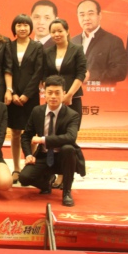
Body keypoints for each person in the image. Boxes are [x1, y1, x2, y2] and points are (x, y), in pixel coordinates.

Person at [18, 75, 86, 207]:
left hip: (63, 157)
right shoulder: (37, 111)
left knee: (68, 148)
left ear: (64, 93)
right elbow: (26, 136)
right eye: (50, 92)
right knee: (24, 178)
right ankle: (46, 183)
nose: (53, 96)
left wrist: (43, 140)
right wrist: (28, 155)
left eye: (57, 93)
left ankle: (66, 192)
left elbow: (70, 137)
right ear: (44, 93)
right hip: (44, 156)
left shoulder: (72, 115)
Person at [43, 18, 87, 190]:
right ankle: (51, 170)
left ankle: (64, 175)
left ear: (67, 31)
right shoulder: (48, 51)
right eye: (53, 32)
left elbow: (81, 73)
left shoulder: (77, 49)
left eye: (60, 31)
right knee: (53, 134)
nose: (56, 34)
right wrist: (51, 95)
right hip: (53, 101)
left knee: (68, 139)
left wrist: (69, 94)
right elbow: (45, 75)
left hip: (72, 99)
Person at [7, 14, 43, 185]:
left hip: (31, 97)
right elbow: (7, 69)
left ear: (30, 28)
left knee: (30, 133)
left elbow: (38, 72)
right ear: (14, 28)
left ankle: (29, 165)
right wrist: (13, 93)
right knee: (15, 133)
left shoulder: (37, 46)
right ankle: (16, 167)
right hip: (13, 96)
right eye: (19, 25)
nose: (22, 28)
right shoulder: (9, 46)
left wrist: (27, 94)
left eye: (25, 25)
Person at [71, 0, 128, 85]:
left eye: (91, 14)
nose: (86, 18)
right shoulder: (72, 41)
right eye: (82, 15)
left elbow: (120, 72)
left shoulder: (113, 41)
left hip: (100, 92)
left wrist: (91, 76)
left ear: (99, 15)